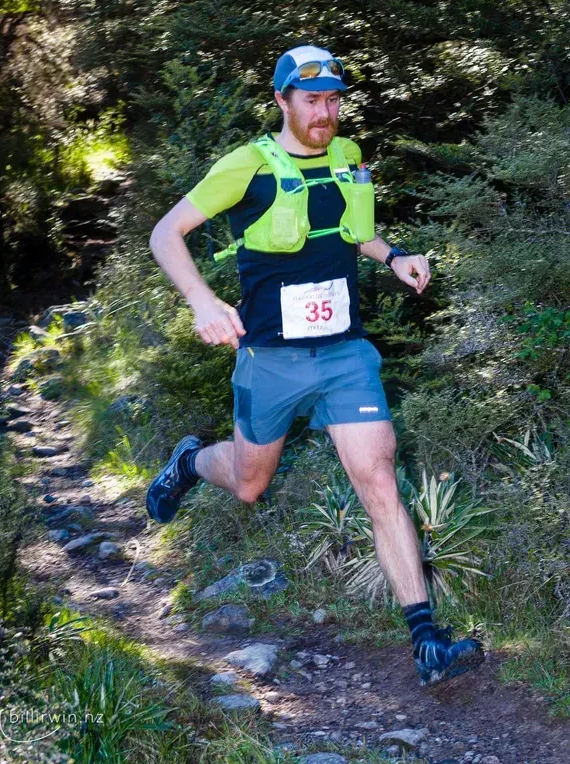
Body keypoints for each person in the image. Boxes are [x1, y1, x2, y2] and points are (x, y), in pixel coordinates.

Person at [146, 44, 484, 686]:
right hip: (270, 355)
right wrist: (201, 301)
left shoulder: (349, 156)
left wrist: (393, 256)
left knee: (378, 478)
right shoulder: (247, 166)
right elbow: (166, 232)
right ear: (281, 101)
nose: (326, 113)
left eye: (334, 99)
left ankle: (426, 640)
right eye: (312, 101)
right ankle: (191, 461)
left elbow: (356, 232)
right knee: (250, 484)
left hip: (344, 353)